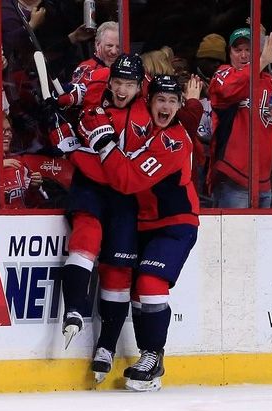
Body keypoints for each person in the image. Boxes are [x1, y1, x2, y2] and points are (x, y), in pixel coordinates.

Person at [86, 74, 199, 391]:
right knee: (136, 290)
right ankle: (145, 355)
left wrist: (105, 142)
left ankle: (153, 357)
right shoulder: (140, 129)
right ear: (149, 102)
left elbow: (127, 181)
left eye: (172, 102)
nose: (166, 107)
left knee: (149, 282)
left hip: (176, 223)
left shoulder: (173, 142)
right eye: (160, 100)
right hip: (144, 223)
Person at [60, 54, 149, 385]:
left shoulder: (149, 108)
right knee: (85, 236)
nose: (122, 90)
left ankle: (107, 347)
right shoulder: (94, 100)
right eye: (118, 83)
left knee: (118, 270)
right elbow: (73, 93)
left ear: (139, 85)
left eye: (129, 84)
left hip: (127, 194)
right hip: (92, 187)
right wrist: (59, 112)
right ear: (109, 81)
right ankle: (75, 308)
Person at [208, 28, 272, 208]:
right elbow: (227, 90)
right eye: (237, 50)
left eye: (249, 50)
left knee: (259, 237)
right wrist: (262, 61)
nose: (243, 55)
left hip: (264, 181)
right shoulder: (223, 74)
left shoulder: (271, 83)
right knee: (233, 236)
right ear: (230, 53)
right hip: (232, 177)